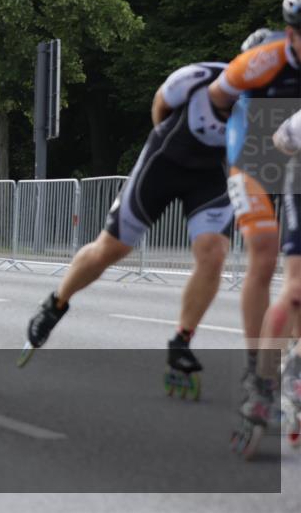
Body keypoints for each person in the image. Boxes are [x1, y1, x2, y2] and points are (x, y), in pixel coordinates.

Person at [19, 49, 236, 382]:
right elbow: (160, 109)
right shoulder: (197, 77)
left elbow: (261, 160)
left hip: (209, 176)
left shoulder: (271, 103)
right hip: (164, 163)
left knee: (213, 254)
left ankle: (181, 342)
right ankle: (55, 303)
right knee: (113, 249)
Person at [208, 0, 301, 402]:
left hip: (294, 160)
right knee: (263, 252)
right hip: (252, 159)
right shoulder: (265, 59)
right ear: (290, 32)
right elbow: (218, 99)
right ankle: (255, 369)